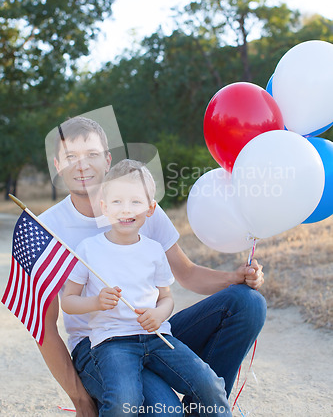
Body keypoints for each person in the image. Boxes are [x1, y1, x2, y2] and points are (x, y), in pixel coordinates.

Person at [37, 115, 266, 417]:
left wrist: (234, 277)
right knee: (165, 412)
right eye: (71, 158)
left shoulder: (137, 204)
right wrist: (81, 401)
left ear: (107, 160)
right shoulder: (46, 230)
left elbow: (186, 274)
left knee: (248, 302)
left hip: (153, 330)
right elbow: (45, 327)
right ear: (57, 166)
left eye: (91, 155)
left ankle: (204, 410)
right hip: (101, 346)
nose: (82, 166)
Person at [61, 159, 232, 417]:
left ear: (151, 208)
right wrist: (95, 302)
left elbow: (166, 298)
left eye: (135, 202)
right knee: (122, 401)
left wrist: (159, 315)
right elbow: (69, 301)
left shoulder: (153, 250)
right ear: (104, 207)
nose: (125, 209)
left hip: (157, 338)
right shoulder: (89, 250)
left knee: (208, 383)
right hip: (112, 343)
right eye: (117, 202)